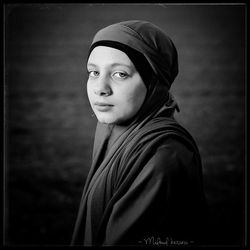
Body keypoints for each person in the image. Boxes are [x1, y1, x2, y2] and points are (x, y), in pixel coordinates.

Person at [71, 20, 208, 246]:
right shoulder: (110, 128)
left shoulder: (162, 157)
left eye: (120, 74)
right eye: (93, 72)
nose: (100, 88)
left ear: (153, 81)